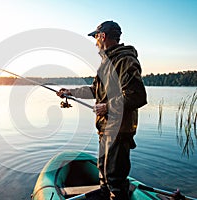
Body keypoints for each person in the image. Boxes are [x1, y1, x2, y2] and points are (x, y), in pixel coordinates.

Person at [57, 21, 147, 200]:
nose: (95, 42)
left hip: (118, 131)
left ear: (103, 36)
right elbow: (95, 90)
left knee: (115, 180)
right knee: (104, 178)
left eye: (96, 37)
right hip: (106, 130)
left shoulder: (125, 60)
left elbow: (137, 96)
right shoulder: (107, 62)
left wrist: (107, 106)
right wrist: (71, 92)